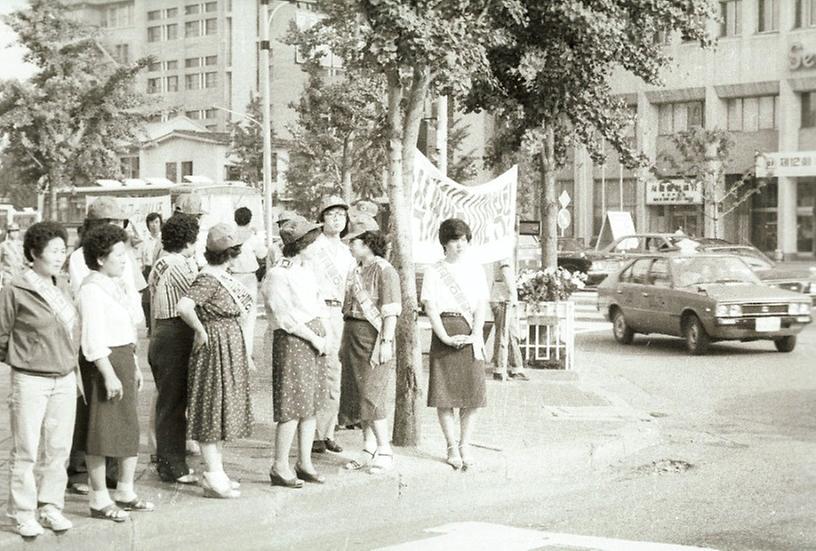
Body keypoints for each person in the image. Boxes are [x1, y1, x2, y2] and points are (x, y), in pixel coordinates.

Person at [0, 222, 78, 537]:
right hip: (30, 379)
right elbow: (2, 335)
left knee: (58, 448)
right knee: (26, 449)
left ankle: (50, 507)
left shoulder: (64, 285)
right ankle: (21, 512)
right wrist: (25, 357)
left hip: (65, 377)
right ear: (34, 253)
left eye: (63, 250)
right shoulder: (15, 289)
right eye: (53, 251)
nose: (60, 257)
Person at [68, 197, 145, 494]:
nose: (117, 227)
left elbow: (134, 299)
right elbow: (88, 304)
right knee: (95, 421)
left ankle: (117, 479)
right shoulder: (82, 261)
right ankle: (80, 473)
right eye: (110, 223)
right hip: (101, 350)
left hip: (123, 345)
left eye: (119, 223)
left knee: (122, 423)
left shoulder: (122, 257)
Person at [76, 223, 153, 522]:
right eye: (118, 254)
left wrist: (132, 365)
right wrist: (109, 374)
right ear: (99, 258)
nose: (124, 260)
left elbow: (127, 329)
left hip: (122, 358)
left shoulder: (116, 284)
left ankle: (125, 490)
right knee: (101, 430)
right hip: (102, 364)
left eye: (126, 254)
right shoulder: (91, 290)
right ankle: (99, 498)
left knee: (127, 427)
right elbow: (92, 339)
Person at [176, 223, 254, 499]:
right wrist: (200, 330)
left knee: (221, 408)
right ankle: (212, 473)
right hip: (215, 346)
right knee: (212, 407)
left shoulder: (218, 275)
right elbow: (184, 307)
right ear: (231, 254)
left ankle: (217, 471)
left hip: (227, 344)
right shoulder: (209, 278)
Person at [263, 216, 328, 488]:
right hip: (294, 340)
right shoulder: (279, 273)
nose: (317, 245)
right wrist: (314, 337)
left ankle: (304, 462)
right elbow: (284, 316)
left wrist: (324, 334)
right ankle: (280, 465)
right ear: (301, 244)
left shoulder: (306, 269)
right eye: (313, 240)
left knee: (311, 403)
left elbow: (317, 302)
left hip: (314, 338)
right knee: (291, 405)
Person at [420, 218, 488, 471]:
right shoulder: (434, 270)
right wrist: (445, 337)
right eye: (454, 240)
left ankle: (465, 445)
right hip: (445, 331)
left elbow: (481, 304)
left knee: (472, 396)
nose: (460, 245)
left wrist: (475, 334)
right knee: (445, 396)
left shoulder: (476, 269)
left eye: (464, 240)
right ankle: (451, 446)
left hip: (470, 332)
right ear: (444, 243)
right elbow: (431, 307)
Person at [338, 216, 401, 474]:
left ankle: (385, 449)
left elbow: (391, 312)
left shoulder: (385, 270)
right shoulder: (355, 270)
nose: (350, 246)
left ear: (367, 243)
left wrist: (386, 341)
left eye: (353, 241)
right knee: (357, 392)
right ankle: (368, 447)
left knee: (372, 393)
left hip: (374, 335)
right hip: (353, 332)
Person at [147, 214, 200, 484]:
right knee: (173, 404)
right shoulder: (180, 265)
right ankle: (173, 465)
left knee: (169, 402)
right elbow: (201, 293)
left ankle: (167, 458)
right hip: (174, 333)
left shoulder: (160, 262)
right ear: (188, 241)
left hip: (160, 332)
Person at [310, 195, 356, 454]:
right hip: (317, 311)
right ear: (322, 218)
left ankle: (327, 431)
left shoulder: (347, 252)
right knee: (318, 370)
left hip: (338, 312)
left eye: (341, 213)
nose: (337, 218)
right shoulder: (314, 246)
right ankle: (313, 432)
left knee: (334, 372)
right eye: (331, 213)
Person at [231, 207, 268, 368]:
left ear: (235, 219)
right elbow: (262, 254)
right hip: (248, 278)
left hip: (232, 277)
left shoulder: (231, 235)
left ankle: (234, 352)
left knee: (235, 317)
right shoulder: (252, 237)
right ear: (249, 219)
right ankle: (246, 354)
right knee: (249, 318)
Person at [489, 258, 528, 382]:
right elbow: (506, 273)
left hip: (499, 297)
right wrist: (513, 295)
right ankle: (500, 368)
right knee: (504, 333)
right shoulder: (503, 253)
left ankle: (516, 367)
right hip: (503, 299)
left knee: (510, 333)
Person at [140, 212, 163, 331]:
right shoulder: (145, 240)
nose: (154, 225)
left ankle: (158, 324)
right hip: (147, 269)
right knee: (146, 300)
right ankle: (149, 324)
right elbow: (141, 257)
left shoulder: (163, 239)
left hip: (160, 269)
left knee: (159, 297)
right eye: (151, 222)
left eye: (156, 222)